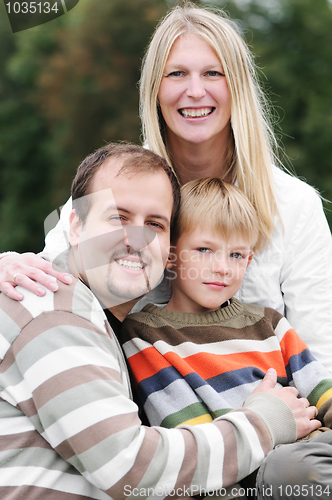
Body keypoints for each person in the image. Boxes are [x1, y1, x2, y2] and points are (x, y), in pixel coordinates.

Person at [0, 2, 331, 372]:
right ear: (155, 88)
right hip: (135, 418)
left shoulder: (294, 207)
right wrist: (10, 264)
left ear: (237, 85)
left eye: (212, 73)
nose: (194, 91)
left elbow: (321, 359)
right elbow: (50, 279)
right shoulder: (117, 185)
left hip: (281, 421)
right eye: (176, 74)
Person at [0, 142, 319, 500]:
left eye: (154, 223)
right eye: (119, 217)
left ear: (169, 250)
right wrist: (264, 422)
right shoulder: (51, 310)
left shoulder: (96, 322)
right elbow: (132, 469)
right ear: (75, 227)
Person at [120, 177, 332, 499]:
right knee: (290, 469)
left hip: (318, 449)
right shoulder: (147, 336)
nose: (222, 267)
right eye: (204, 250)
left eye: (235, 255)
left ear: (249, 261)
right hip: (260, 473)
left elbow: (322, 393)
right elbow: (192, 441)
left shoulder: (268, 323)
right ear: (171, 254)